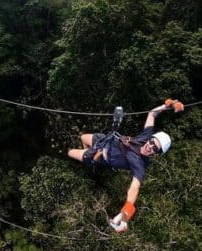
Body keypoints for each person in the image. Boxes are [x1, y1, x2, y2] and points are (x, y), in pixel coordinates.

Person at [67, 98, 184, 232]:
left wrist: (126, 214)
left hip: (101, 156)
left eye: (155, 148)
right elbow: (152, 114)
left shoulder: (140, 166)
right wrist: (168, 105)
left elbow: (134, 188)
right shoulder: (145, 137)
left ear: (156, 153)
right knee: (83, 137)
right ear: (150, 138)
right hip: (107, 140)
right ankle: (88, 156)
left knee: (71, 152)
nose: (150, 146)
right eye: (152, 142)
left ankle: (89, 158)